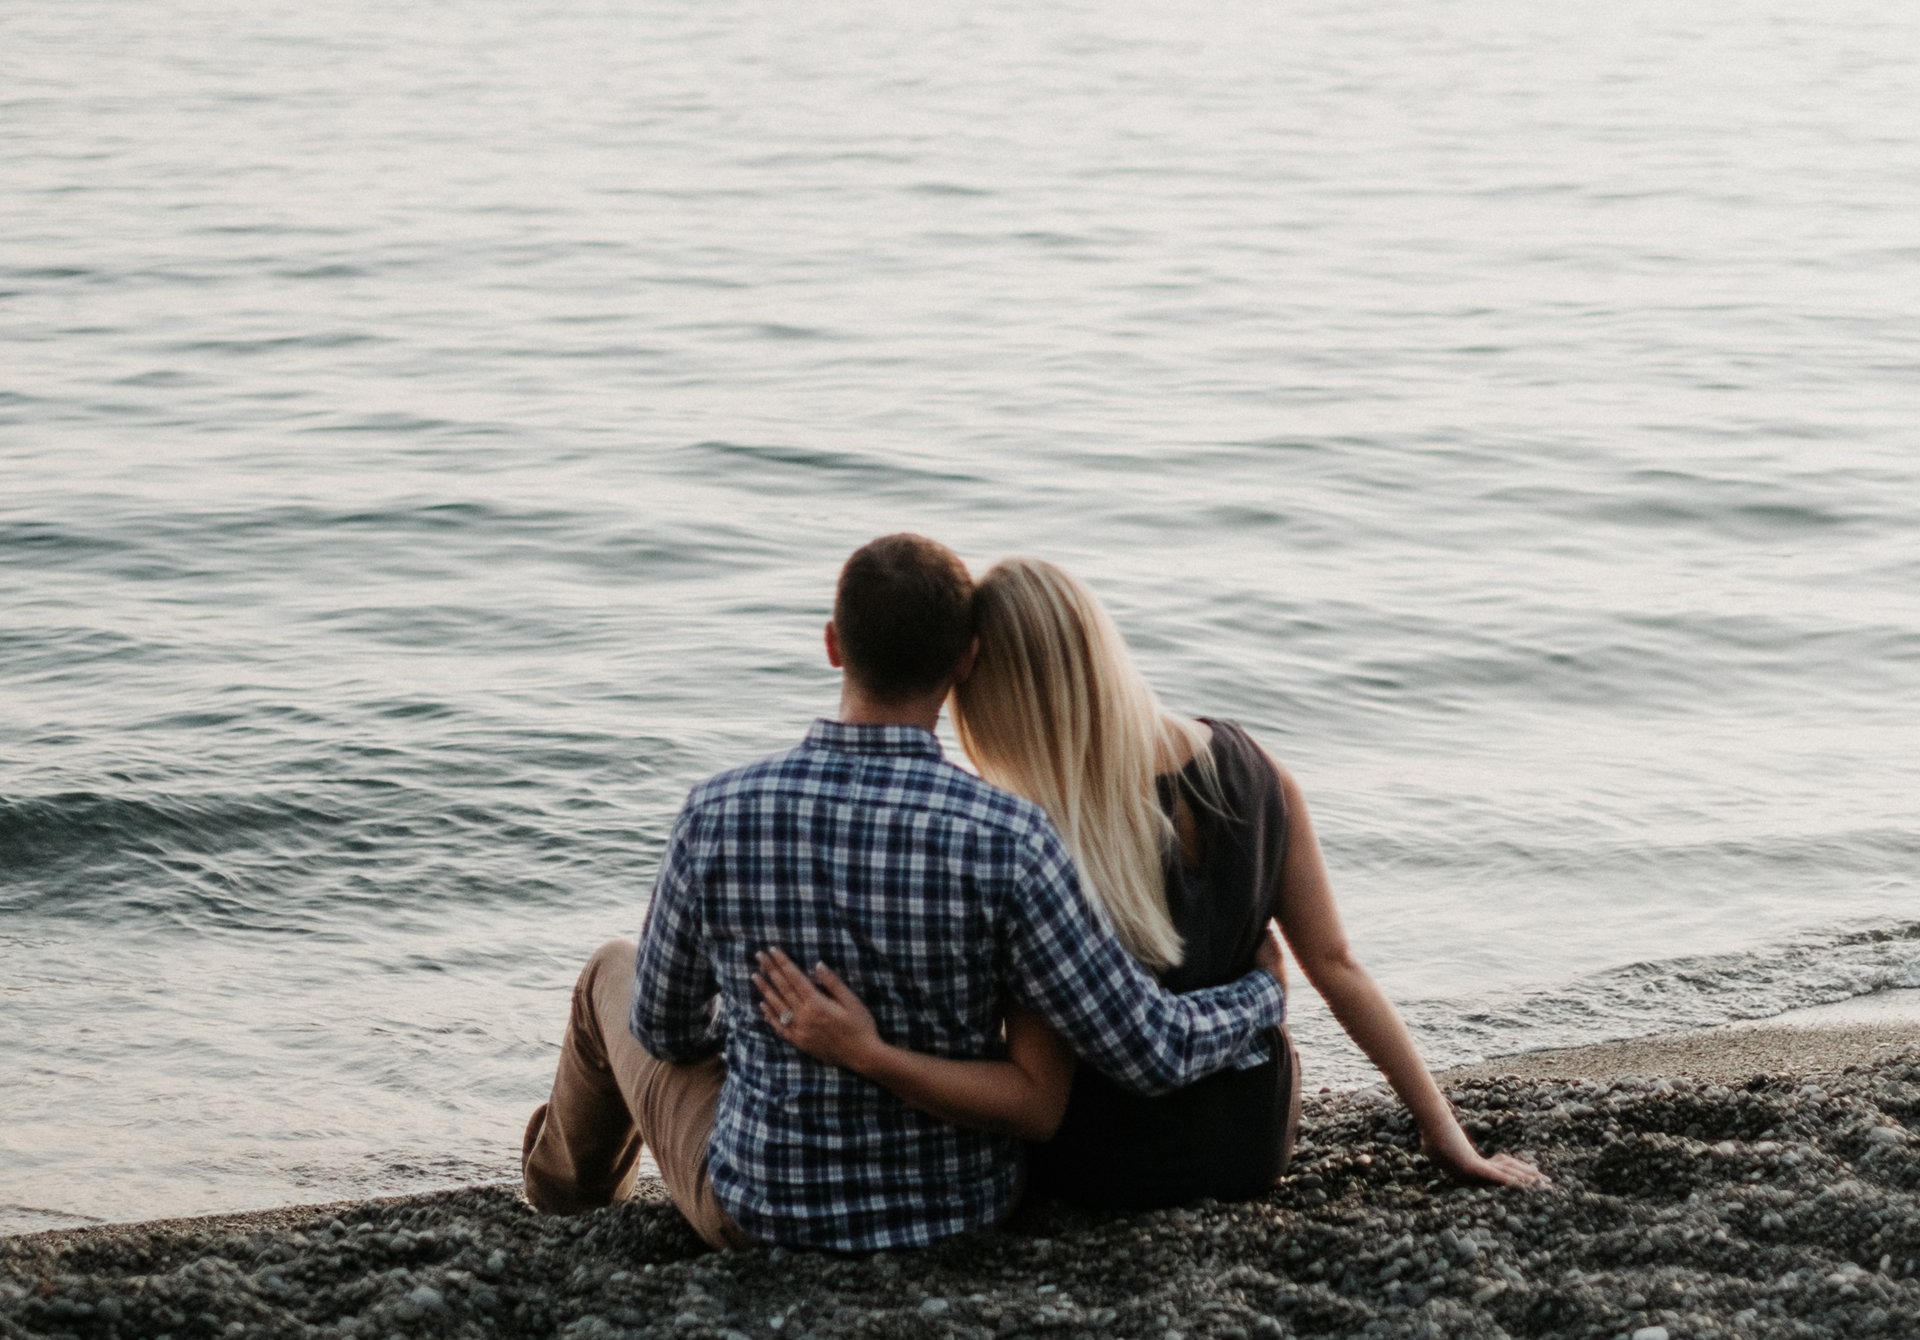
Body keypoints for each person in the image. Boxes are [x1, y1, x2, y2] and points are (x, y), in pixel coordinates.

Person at [521, 533, 1289, 1251]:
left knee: (609, 975)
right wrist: (1261, 993)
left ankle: (561, 1202)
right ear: (965, 662)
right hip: (962, 1209)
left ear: (831, 644)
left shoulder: (718, 814)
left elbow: (664, 1031)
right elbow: (1148, 1048)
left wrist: (769, 1020)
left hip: (764, 1206)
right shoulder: (1014, 837)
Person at [755, 557, 1545, 1206]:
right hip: (1249, 1147)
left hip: (1099, 1167)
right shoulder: (1258, 770)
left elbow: (1048, 1079)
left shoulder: (1035, 836)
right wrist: (1445, 1131)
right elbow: (1337, 967)